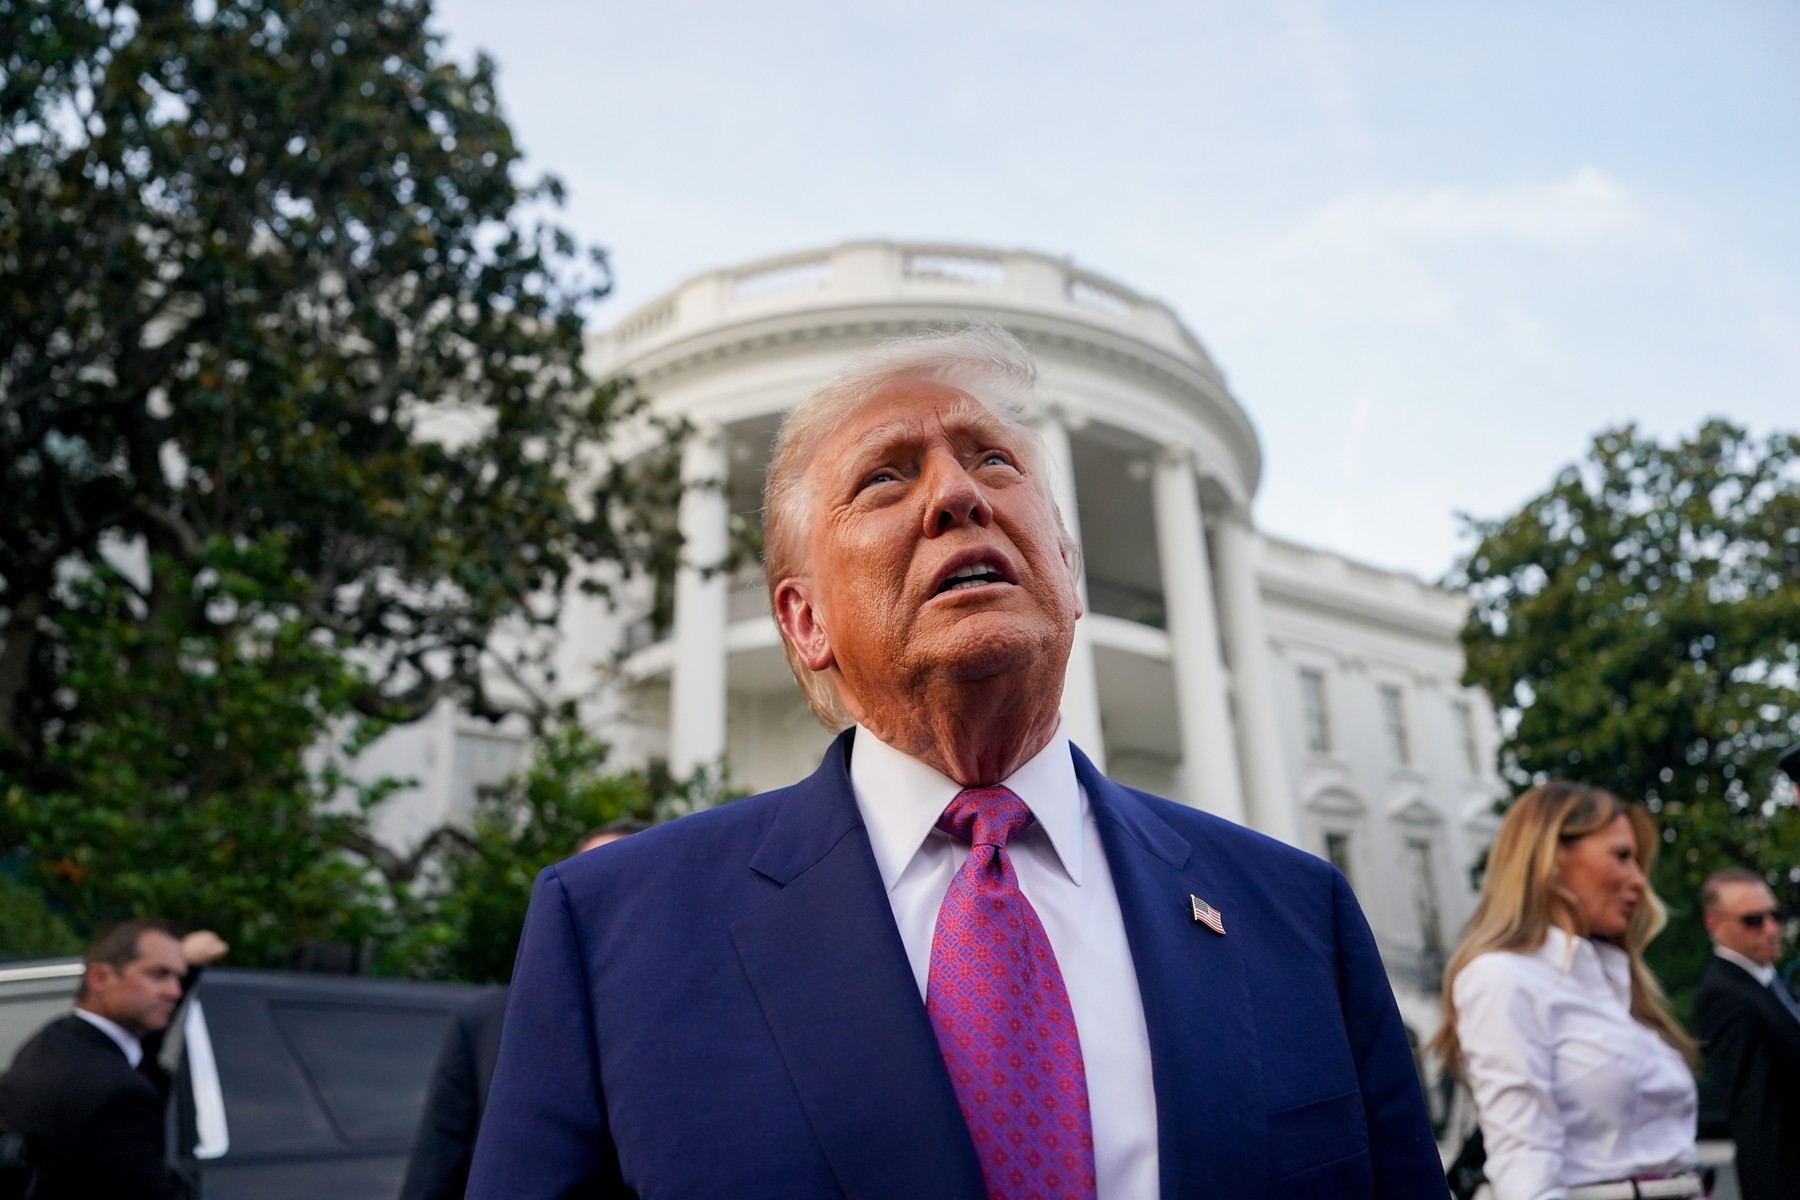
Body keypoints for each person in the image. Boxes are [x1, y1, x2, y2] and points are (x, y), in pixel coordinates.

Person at [467, 325, 1445, 1199]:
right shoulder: (614, 936)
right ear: (804, 621)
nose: (957, 494)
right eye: (885, 478)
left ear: (1067, 571)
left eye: (992, 460)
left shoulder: (1296, 916)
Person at [1431, 782, 1701, 1200]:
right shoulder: (1501, 977)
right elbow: (1524, 1160)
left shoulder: (1617, 980)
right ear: (1552, 859)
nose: (1638, 881)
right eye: (1621, 856)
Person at [399, 816, 651, 1200]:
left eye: (622, 886)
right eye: (586, 882)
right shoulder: (486, 1022)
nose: (599, 903)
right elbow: (434, 1173)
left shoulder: (682, 1028)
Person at [0, 919, 226, 1200]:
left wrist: (188, 964)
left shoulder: (58, 1040)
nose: (174, 992)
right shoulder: (113, 1091)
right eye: (159, 974)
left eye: (178, 978)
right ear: (99, 978)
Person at [1691, 867, 1800, 1200]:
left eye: (1775, 915)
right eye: (1753, 920)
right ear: (1714, 924)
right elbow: (1756, 1116)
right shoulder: (1723, 996)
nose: (1771, 928)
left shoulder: (1767, 982)